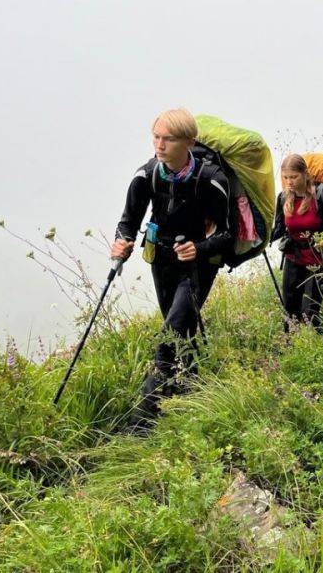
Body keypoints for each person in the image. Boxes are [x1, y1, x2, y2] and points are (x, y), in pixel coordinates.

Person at [112, 108, 232, 429]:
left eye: (169, 138)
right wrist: (121, 242)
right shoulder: (146, 175)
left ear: (189, 142)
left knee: (170, 335)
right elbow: (128, 221)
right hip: (161, 260)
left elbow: (227, 233)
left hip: (199, 266)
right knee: (181, 330)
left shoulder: (212, 181)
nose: (160, 144)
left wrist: (200, 248)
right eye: (156, 137)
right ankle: (190, 391)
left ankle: (141, 423)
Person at [271, 154, 323, 333]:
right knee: (291, 311)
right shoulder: (283, 198)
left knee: (310, 312)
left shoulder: (321, 195)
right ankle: (289, 350)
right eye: (286, 177)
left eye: (294, 177)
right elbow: (279, 228)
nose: (289, 182)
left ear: (305, 174)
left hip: (319, 259)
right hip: (293, 258)